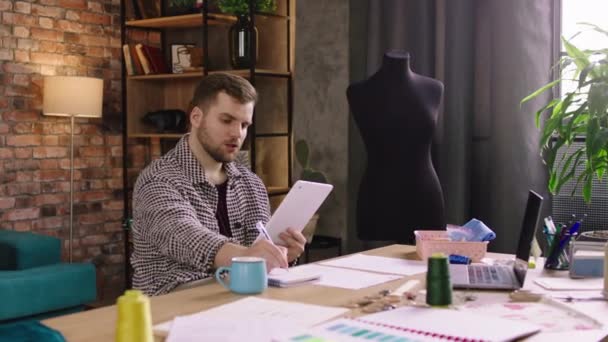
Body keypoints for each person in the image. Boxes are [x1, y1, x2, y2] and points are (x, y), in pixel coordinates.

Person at [132, 73, 307, 296]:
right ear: (196, 117)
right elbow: (190, 239)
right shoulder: (157, 180)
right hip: (169, 306)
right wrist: (250, 256)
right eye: (226, 121)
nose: (237, 133)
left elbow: (260, 252)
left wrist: (279, 255)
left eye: (244, 124)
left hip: (238, 300)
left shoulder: (251, 183)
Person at [346, 51, 446, 243]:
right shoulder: (359, 91)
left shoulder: (434, 88)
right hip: (378, 197)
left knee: (427, 270)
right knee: (375, 269)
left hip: (425, 197)